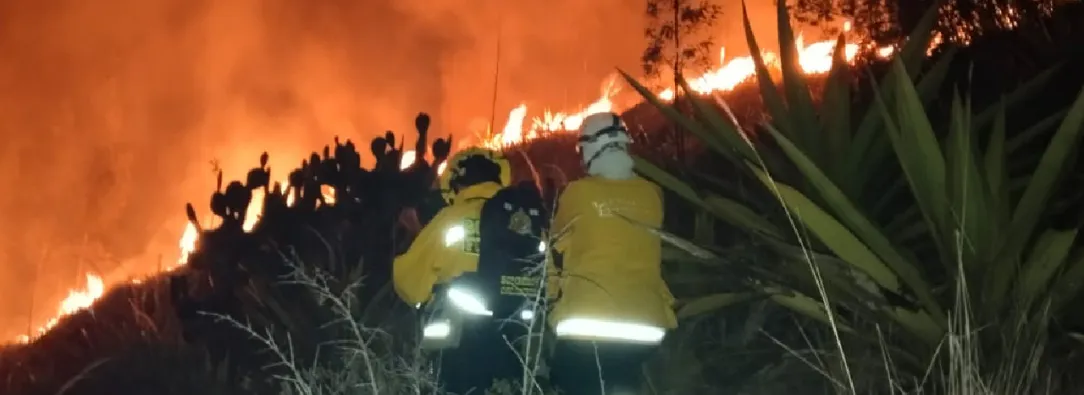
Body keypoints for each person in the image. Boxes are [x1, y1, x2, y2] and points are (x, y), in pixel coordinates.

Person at [546, 112, 677, 395]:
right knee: (621, 378)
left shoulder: (577, 193)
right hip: (647, 325)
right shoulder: (652, 194)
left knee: (564, 378)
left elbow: (555, 244)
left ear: (591, 148)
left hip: (587, 322)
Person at [392, 147, 528, 394]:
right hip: (517, 342)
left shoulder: (449, 218)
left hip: (458, 348)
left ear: (457, 183)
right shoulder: (522, 218)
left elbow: (410, 281)